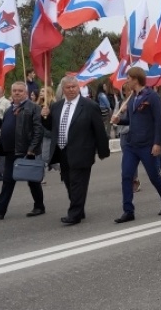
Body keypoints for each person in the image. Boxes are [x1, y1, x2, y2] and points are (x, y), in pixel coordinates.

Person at [41, 76, 110, 225]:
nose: (71, 90)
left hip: (82, 151)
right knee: (68, 181)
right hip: (62, 150)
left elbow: (99, 129)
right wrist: (44, 117)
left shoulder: (89, 106)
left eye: (74, 87)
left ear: (78, 88)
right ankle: (79, 209)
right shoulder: (57, 106)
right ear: (63, 89)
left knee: (78, 183)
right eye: (68, 87)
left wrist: (103, 150)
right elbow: (51, 127)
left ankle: (74, 214)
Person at [111, 68, 161, 224]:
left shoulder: (151, 96)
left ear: (136, 79)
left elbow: (158, 121)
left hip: (147, 144)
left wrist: (157, 143)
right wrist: (120, 121)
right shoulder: (132, 97)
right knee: (126, 176)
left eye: (128, 78)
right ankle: (128, 211)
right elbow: (132, 121)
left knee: (153, 176)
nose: (127, 81)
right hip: (132, 145)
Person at [0, 82, 45, 219]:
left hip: (25, 150)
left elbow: (38, 131)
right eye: (14, 90)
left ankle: (39, 206)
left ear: (26, 93)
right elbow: (8, 126)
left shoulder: (33, 108)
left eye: (20, 91)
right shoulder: (10, 109)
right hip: (10, 151)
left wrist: (32, 149)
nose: (17, 93)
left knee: (32, 180)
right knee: (8, 180)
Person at [37, 86, 59, 173]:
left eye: (43, 91)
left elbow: (55, 119)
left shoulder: (53, 105)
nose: (41, 93)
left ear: (49, 93)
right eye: (41, 91)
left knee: (45, 157)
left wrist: (48, 115)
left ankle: (62, 167)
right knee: (40, 156)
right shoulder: (39, 105)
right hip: (40, 134)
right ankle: (40, 175)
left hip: (48, 134)